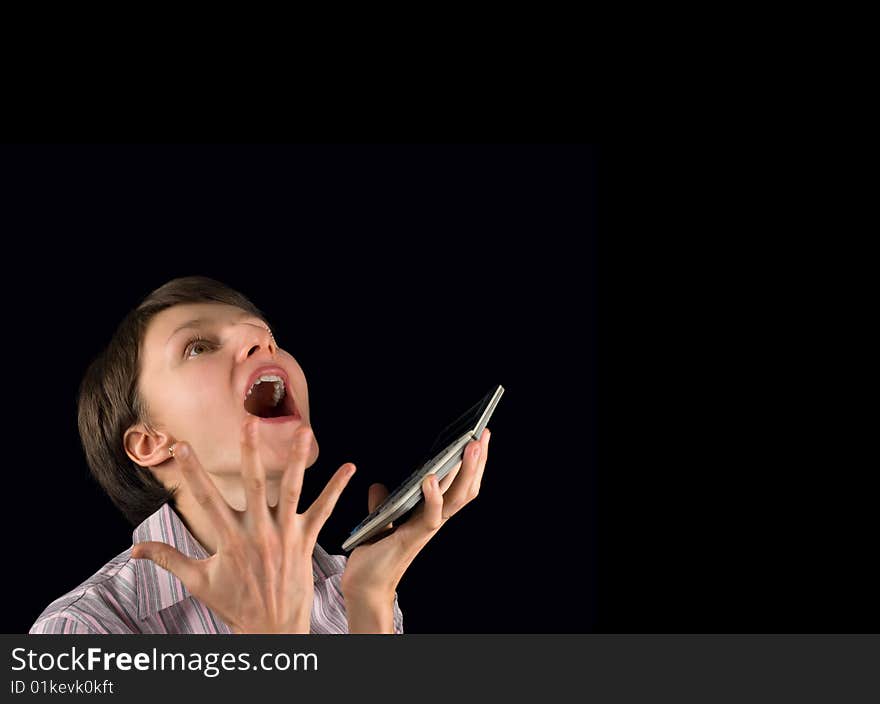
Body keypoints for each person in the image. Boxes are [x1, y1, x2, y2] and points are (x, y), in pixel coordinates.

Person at [29, 276, 491, 634]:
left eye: (268, 338)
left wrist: (370, 599)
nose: (263, 344)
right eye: (199, 346)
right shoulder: (82, 629)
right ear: (149, 442)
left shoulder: (345, 593)